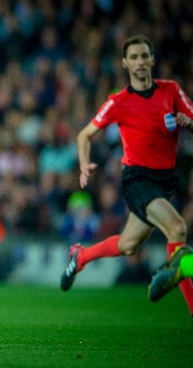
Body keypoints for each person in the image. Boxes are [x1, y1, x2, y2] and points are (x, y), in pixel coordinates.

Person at [60, 34, 193, 318]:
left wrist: (188, 122)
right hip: (137, 180)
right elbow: (85, 134)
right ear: (125, 62)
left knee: (128, 245)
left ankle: (80, 257)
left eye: (145, 56)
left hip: (165, 180)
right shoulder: (118, 101)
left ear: (152, 59)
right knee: (178, 229)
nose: (140, 62)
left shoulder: (170, 91)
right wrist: (84, 164)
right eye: (134, 57)